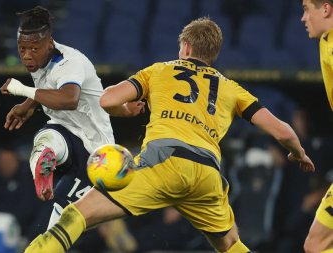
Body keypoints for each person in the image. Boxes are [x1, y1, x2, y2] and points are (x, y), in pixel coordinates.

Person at [24, 17, 315, 253]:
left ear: (186, 47)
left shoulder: (160, 71)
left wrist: (127, 109)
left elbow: (107, 99)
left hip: (164, 163)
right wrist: (297, 153)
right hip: (207, 175)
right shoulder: (231, 88)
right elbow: (283, 129)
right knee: (231, 246)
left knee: (76, 215)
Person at [0, 6, 115, 230]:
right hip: (64, 131)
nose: (27, 55)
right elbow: (48, 83)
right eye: (22, 48)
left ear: (50, 43)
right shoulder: (41, 59)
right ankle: (44, 164)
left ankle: (45, 163)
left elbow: (69, 98)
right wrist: (29, 104)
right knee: (46, 138)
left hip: (94, 151)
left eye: (33, 48)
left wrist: (22, 91)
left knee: (61, 223)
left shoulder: (69, 63)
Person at [300, 0, 333, 252]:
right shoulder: (325, 41)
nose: (303, 18)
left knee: (316, 245)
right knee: (315, 245)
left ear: (325, 9)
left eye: (305, 8)